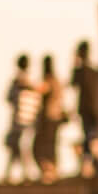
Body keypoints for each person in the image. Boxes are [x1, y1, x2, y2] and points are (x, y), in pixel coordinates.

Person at [4, 53, 41, 181]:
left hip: (20, 120)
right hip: (28, 120)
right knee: (19, 146)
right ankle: (22, 174)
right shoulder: (32, 82)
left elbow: (8, 98)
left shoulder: (18, 82)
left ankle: (25, 175)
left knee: (19, 146)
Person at [32, 50, 68, 179]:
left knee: (39, 147)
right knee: (51, 145)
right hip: (56, 118)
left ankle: (48, 171)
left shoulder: (49, 81)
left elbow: (39, 89)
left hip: (48, 119)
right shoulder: (58, 82)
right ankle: (52, 170)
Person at [70, 41, 98, 176]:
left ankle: (91, 165)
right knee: (91, 137)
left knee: (89, 138)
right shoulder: (95, 72)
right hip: (95, 109)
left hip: (86, 110)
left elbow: (73, 84)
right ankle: (91, 165)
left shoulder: (80, 71)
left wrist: (74, 61)